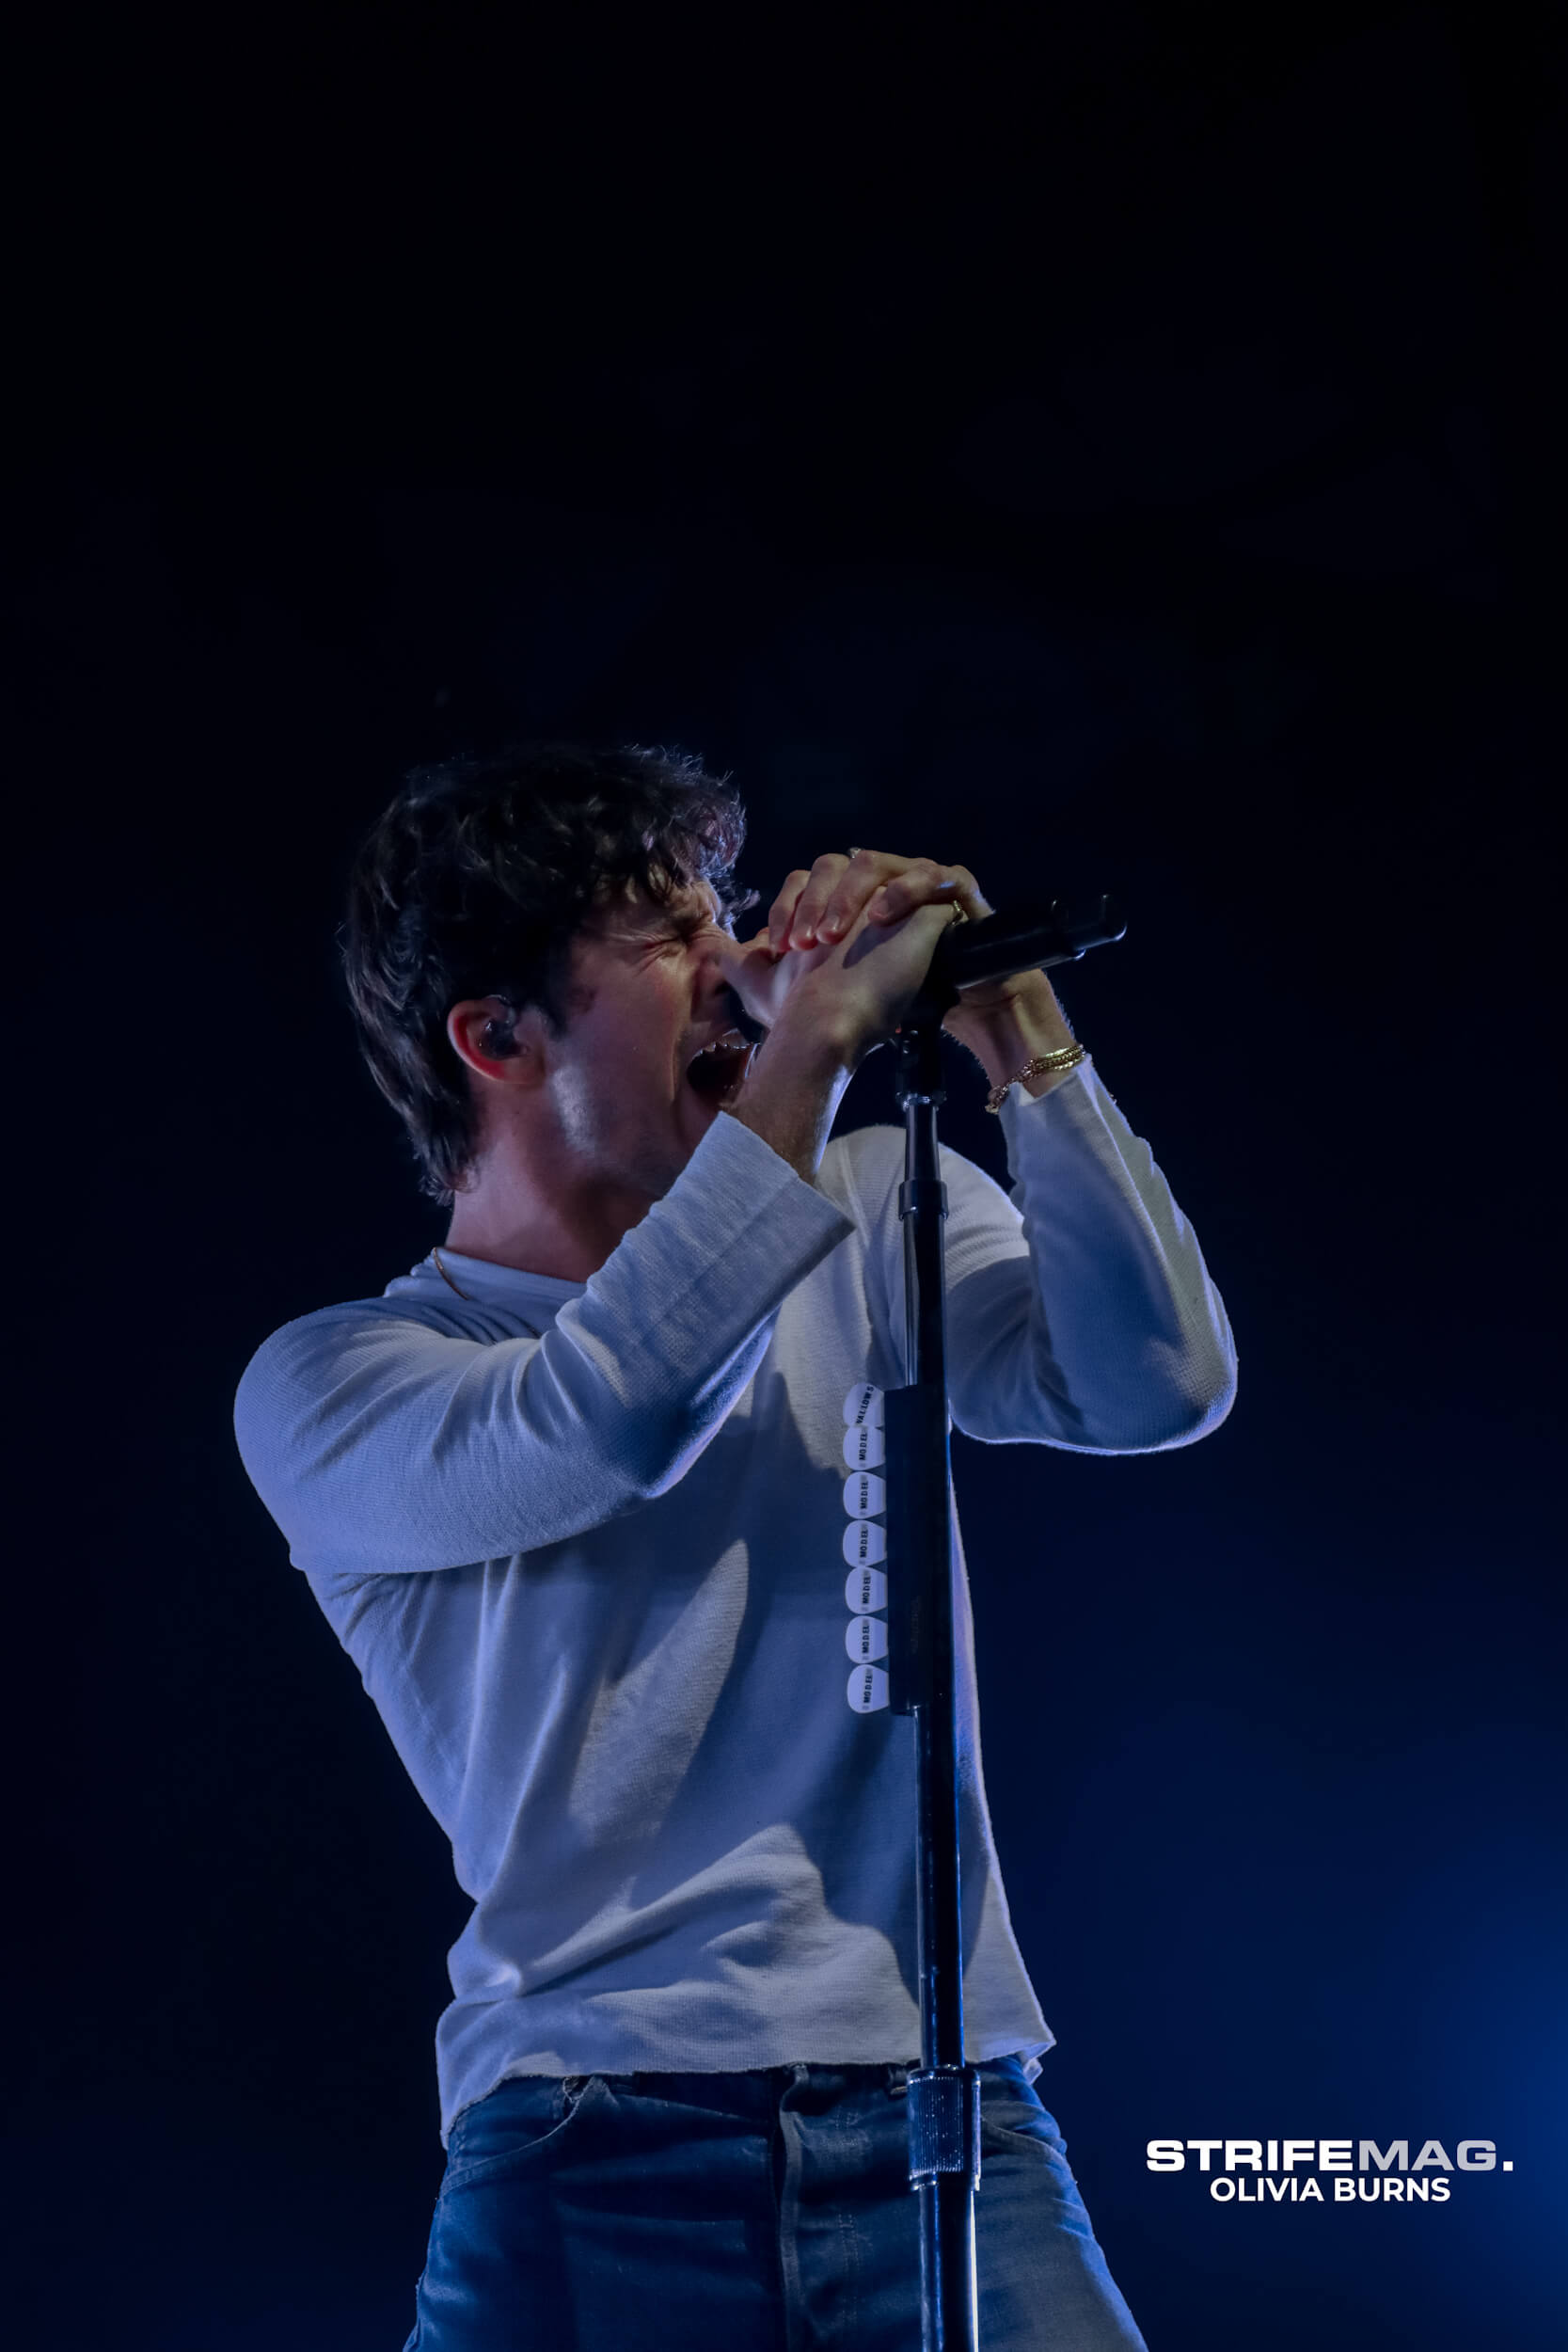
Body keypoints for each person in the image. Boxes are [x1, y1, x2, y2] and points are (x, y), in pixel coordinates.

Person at [234, 742, 1235, 2350]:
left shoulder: (868, 1189)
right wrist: (813, 1057)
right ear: (495, 1037)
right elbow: (611, 1418)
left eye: (726, 915)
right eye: (664, 938)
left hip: (951, 2110)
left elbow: (1156, 1386)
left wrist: (1012, 1029)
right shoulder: (337, 1382)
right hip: (589, 2143)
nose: (739, 965)